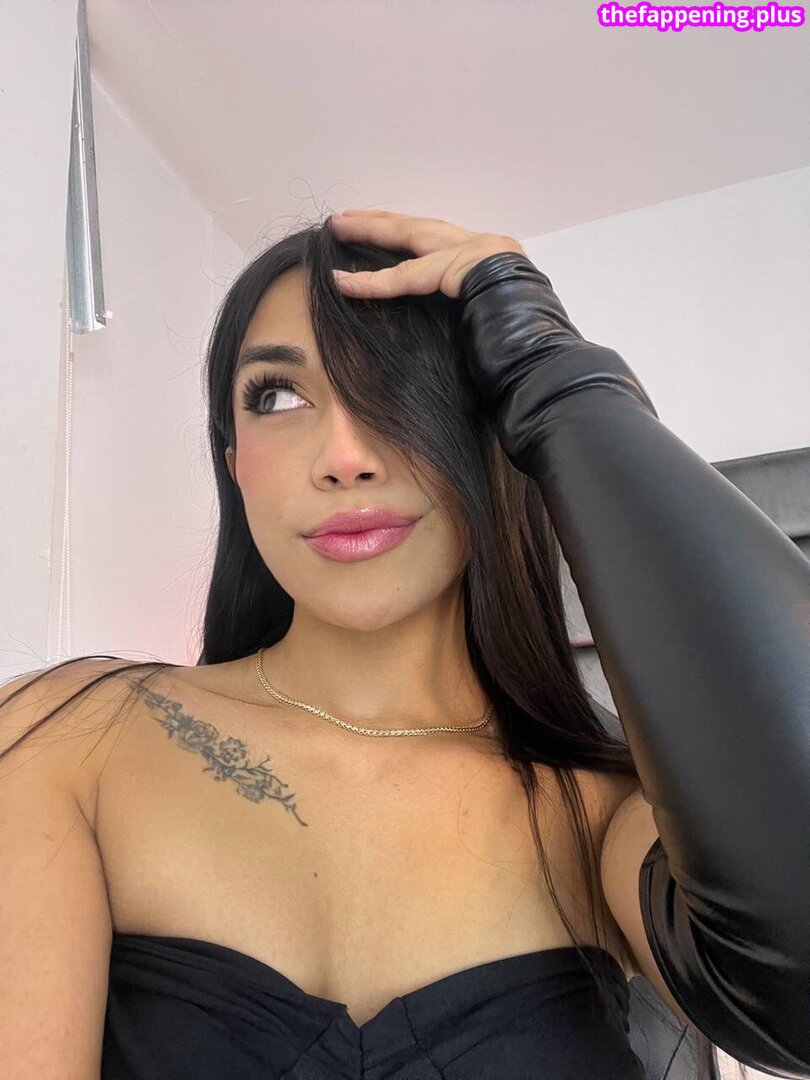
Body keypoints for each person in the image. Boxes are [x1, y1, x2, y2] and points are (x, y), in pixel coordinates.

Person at [1, 210, 808, 1080]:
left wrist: (561, 381)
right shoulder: (74, 741)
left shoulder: (605, 806)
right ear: (234, 463)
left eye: (402, 387)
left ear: (493, 439)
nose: (344, 456)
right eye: (278, 396)